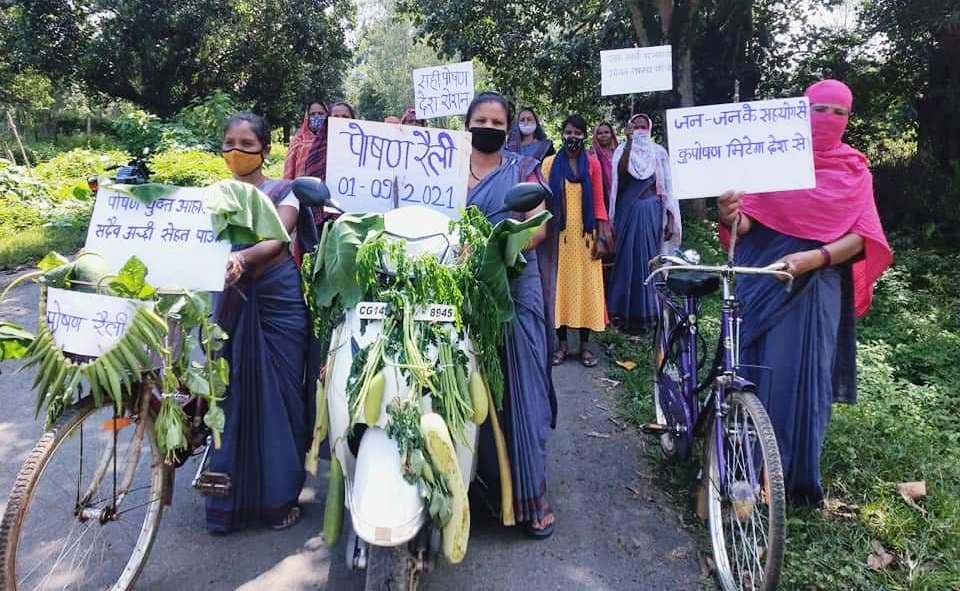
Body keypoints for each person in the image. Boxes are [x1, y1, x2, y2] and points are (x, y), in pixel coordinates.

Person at [716, 79, 892, 505]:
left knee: (808, 377)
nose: (829, 120)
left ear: (849, 119)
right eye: (819, 110)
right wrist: (728, 213)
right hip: (767, 278)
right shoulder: (775, 161)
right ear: (801, 113)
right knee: (761, 370)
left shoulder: (854, 169)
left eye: (839, 112)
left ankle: (794, 480)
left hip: (819, 282)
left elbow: (861, 236)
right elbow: (747, 224)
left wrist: (813, 259)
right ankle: (745, 469)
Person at [206, 113, 319, 533]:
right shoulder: (213, 196)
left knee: (282, 398)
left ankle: (278, 497)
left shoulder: (284, 191)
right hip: (228, 303)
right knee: (230, 396)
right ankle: (228, 502)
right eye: (230, 142)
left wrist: (242, 259)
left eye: (247, 144)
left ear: (265, 150)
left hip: (276, 302)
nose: (236, 151)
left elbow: (279, 238)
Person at [466, 91, 557, 539]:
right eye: (481, 119)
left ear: (508, 129)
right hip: (459, 289)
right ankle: (468, 490)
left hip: (514, 287)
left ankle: (528, 495)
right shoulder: (444, 171)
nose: (490, 127)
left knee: (520, 387)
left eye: (497, 122)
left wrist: (503, 249)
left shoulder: (522, 169)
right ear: (468, 124)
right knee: (458, 386)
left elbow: (540, 223)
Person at [542, 114, 608, 368]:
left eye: (578, 133)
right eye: (569, 132)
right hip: (558, 238)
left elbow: (599, 201)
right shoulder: (548, 164)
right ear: (562, 133)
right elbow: (541, 200)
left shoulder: (592, 164)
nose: (572, 138)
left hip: (585, 237)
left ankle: (584, 346)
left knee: (585, 291)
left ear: (584, 136)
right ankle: (562, 345)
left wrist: (601, 233)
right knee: (561, 290)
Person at [606, 114, 681, 333]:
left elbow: (667, 187)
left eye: (642, 126)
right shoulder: (621, 151)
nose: (639, 130)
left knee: (650, 261)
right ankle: (621, 314)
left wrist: (669, 220)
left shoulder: (659, 153)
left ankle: (650, 314)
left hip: (652, 212)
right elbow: (620, 175)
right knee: (626, 260)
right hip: (628, 212)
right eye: (635, 126)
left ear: (649, 128)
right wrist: (628, 142)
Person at [283, 101, 327, 180]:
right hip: (302, 188)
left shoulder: (333, 140)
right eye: (312, 114)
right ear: (307, 117)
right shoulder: (298, 140)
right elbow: (289, 170)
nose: (316, 117)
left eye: (320, 114)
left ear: (327, 115)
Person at [589, 121, 618, 211]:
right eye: (600, 133)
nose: (603, 135)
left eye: (606, 132)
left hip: (619, 193)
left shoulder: (619, 152)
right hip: (600, 195)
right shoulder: (592, 154)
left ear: (612, 134)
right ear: (595, 136)